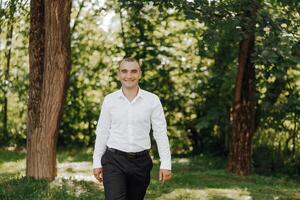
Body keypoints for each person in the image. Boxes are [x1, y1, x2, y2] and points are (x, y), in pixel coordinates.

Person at [93, 57, 172, 200]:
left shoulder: (152, 100)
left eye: (133, 71)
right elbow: (102, 132)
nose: (128, 76)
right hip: (113, 161)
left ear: (140, 74)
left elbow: (160, 133)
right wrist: (97, 161)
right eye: (124, 71)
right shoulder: (109, 100)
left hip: (141, 163)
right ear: (118, 74)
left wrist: (166, 163)